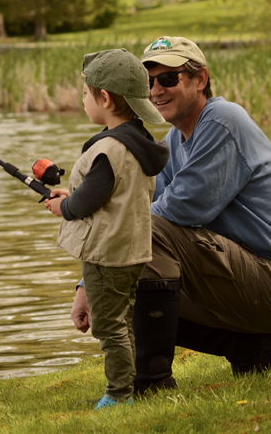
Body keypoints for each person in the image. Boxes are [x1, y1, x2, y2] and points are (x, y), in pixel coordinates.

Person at [70, 36, 271, 395]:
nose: (156, 90)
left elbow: (178, 211)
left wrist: (100, 270)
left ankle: (153, 383)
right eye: (149, 82)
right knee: (128, 271)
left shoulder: (222, 120)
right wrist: (89, 286)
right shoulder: (174, 141)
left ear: (200, 79)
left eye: (168, 79)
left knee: (144, 234)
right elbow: (133, 213)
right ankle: (247, 347)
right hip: (242, 284)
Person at [45, 48, 170, 408]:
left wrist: (62, 206)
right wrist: (73, 194)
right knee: (121, 319)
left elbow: (85, 204)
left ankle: (119, 395)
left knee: (109, 327)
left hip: (106, 255)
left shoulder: (108, 149)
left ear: (104, 98)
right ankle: (129, 385)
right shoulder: (138, 142)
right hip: (131, 250)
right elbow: (111, 192)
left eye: (86, 94)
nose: (83, 100)